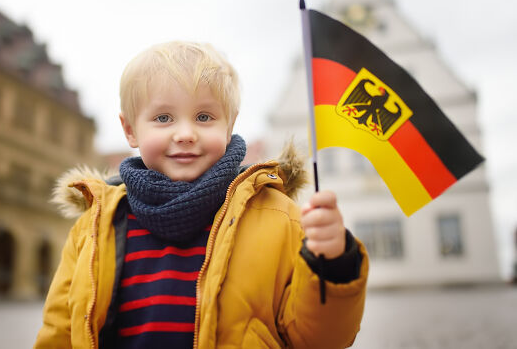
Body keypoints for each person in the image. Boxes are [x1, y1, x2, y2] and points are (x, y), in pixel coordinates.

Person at [33, 41, 368, 348]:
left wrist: (333, 263)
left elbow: (321, 338)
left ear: (229, 123)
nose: (185, 134)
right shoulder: (95, 227)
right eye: (163, 118)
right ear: (131, 130)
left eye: (204, 117)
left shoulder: (278, 216)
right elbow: (60, 332)